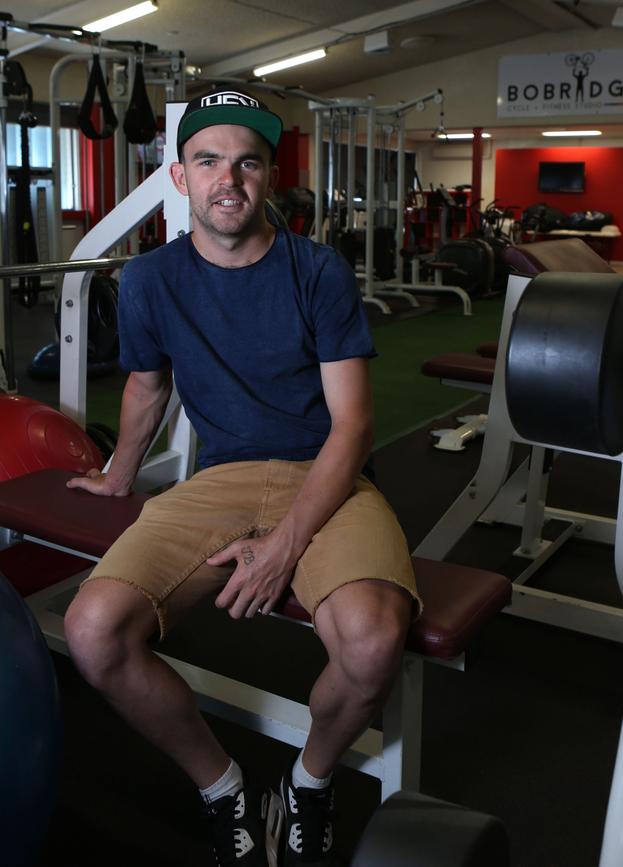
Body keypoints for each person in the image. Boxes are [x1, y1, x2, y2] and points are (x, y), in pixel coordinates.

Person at [64, 87, 422, 867]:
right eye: (209, 160)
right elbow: (146, 384)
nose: (230, 179)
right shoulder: (150, 279)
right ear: (179, 177)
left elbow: (353, 426)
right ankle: (222, 785)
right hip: (220, 481)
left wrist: (285, 546)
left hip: (325, 475)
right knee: (92, 634)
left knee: (371, 644)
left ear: (267, 176)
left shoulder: (316, 270)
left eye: (248, 162)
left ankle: (310, 779)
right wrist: (118, 473)